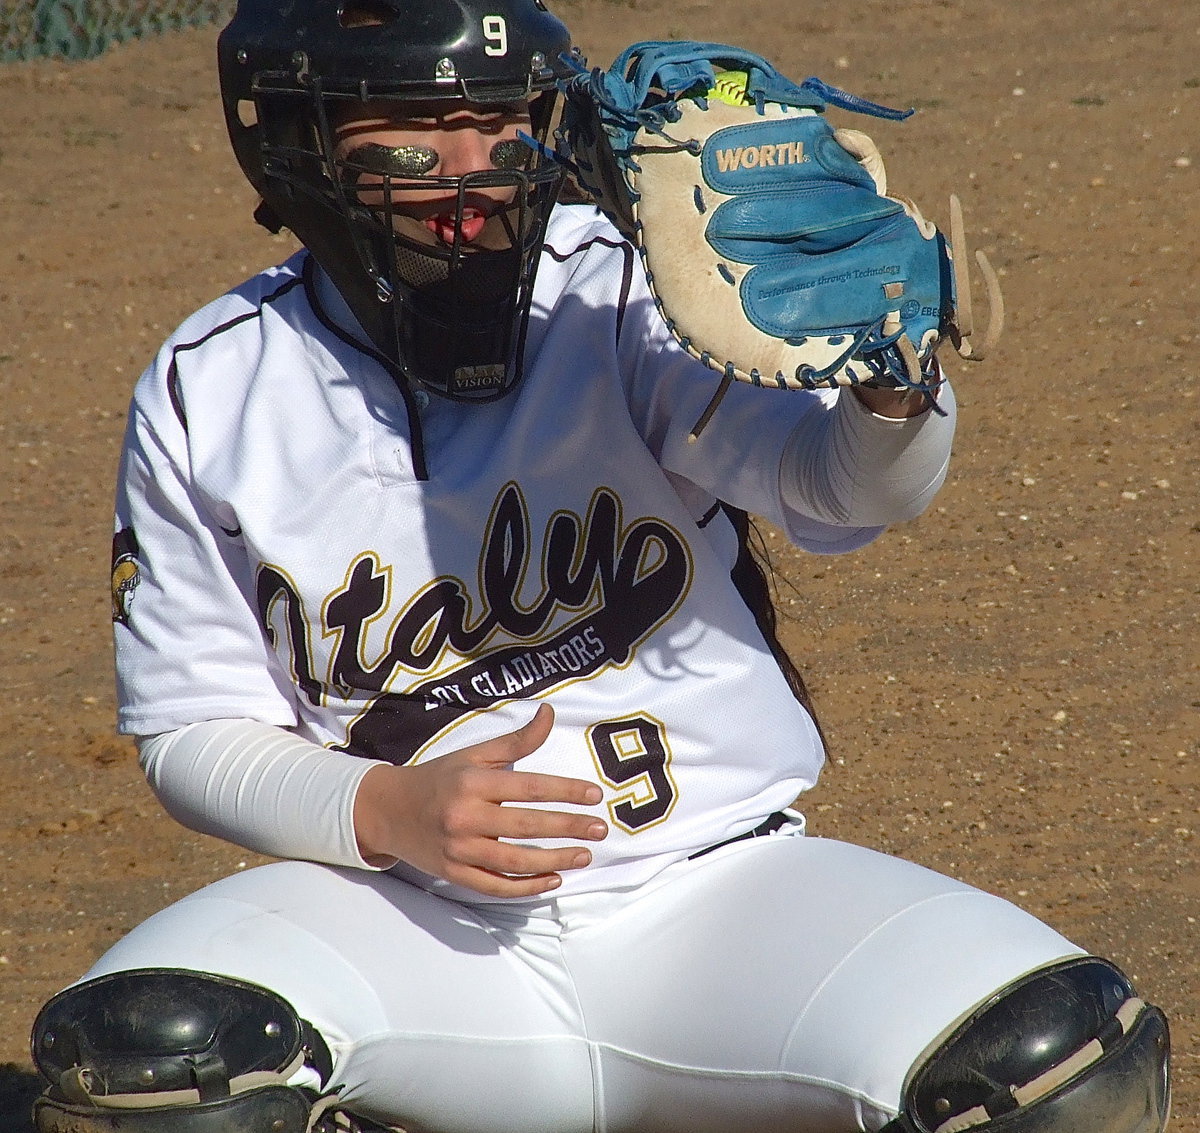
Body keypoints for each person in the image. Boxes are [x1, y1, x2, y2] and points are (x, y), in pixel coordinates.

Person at [29, 1, 1170, 1132]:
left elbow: (843, 486)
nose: (476, 174)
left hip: (718, 906)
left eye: (506, 129)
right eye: (416, 144)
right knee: (152, 1073)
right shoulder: (211, 385)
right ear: (300, 149)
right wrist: (377, 805)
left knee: (1063, 1069)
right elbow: (190, 729)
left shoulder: (616, 281)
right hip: (413, 927)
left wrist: (890, 386)